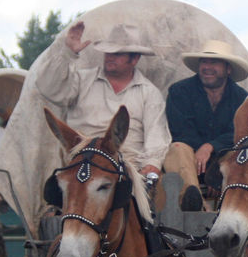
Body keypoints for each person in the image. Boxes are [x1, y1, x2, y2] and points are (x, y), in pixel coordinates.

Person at [35, 21, 170, 181]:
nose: (110, 57)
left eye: (117, 54)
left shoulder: (149, 92)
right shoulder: (82, 80)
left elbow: (156, 135)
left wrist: (152, 164)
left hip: (127, 168)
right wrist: (67, 54)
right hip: (80, 160)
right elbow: (50, 90)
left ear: (134, 59)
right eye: (108, 53)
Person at [164, 39, 248, 211]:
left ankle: (236, 212)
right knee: (177, 148)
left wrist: (211, 149)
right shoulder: (179, 92)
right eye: (204, 62)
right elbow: (180, 131)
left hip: (223, 162)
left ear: (228, 69)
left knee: (240, 154)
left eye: (214, 62)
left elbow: (245, 135)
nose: (207, 67)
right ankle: (197, 205)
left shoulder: (245, 102)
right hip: (188, 161)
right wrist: (203, 152)